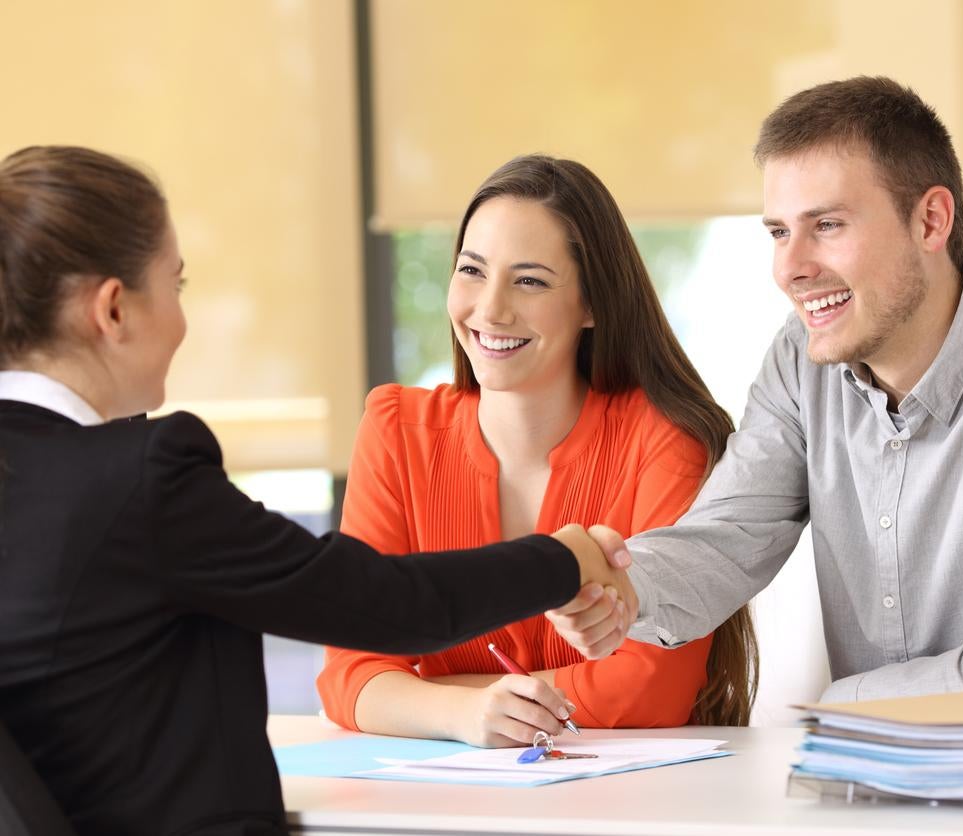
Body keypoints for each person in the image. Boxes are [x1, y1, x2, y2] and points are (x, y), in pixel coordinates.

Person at [0, 145, 631, 836]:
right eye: (175, 286)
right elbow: (383, 605)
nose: (183, 320)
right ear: (113, 311)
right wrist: (565, 559)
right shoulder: (139, 480)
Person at [549, 76, 963, 701]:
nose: (790, 268)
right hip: (873, 778)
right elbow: (728, 538)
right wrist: (621, 584)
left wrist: (839, 704)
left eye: (828, 224)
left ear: (931, 220)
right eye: (778, 232)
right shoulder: (801, 358)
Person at [316, 155, 758, 747]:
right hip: (453, 802)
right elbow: (351, 672)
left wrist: (432, 696)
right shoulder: (396, 430)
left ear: (593, 303)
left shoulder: (662, 441)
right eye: (471, 270)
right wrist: (466, 716)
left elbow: (652, 685)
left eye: (529, 280)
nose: (490, 309)